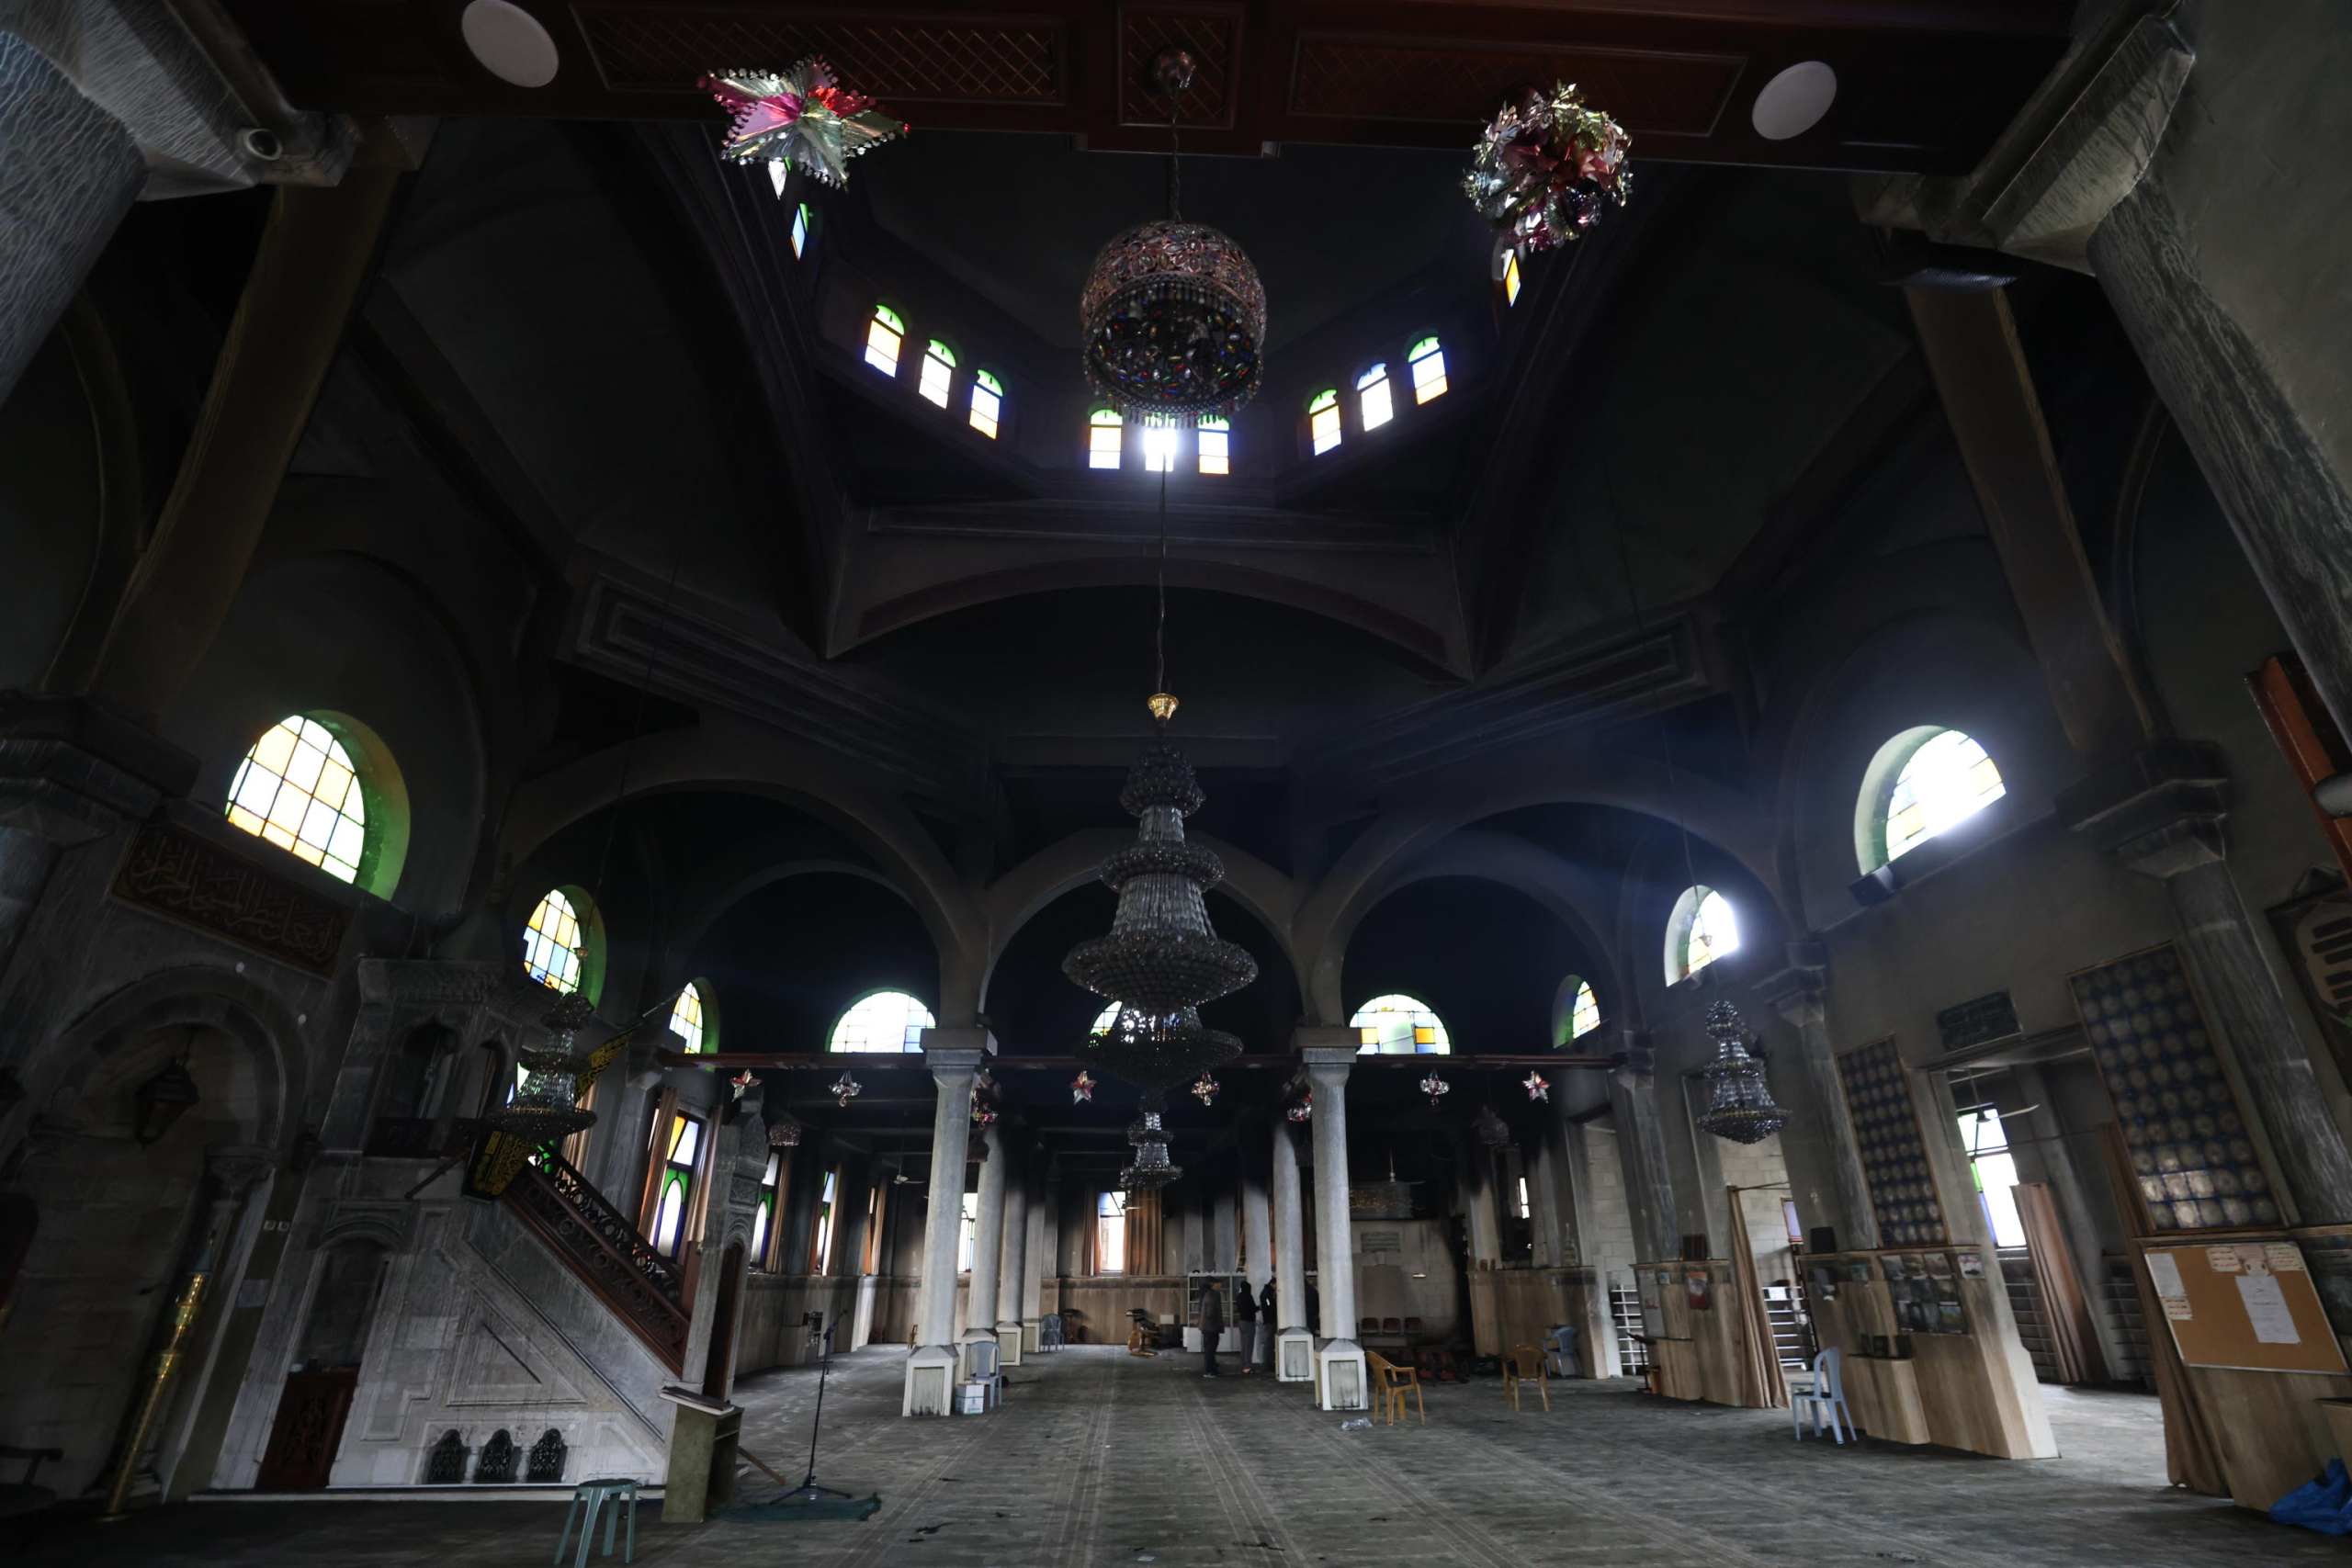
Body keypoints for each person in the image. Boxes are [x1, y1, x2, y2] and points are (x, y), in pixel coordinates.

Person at [1199, 1280, 1226, 1378]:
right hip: (1211, 1327)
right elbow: (1210, 1313)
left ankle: (1212, 1369)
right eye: (1220, 1285)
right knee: (1210, 1349)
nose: (1221, 1287)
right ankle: (1209, 1370)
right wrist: (1216, 1325)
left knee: (1211, 1349)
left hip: (1210, 1327)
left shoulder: (1211, 1294)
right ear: (1214, 1285)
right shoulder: (1211, 1296)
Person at [1234, 1277, 1259, 1373]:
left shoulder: (1239, 1296)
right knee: (1249, 1344)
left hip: (1241, 1321)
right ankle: (1248, 1366)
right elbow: (1252, 1308)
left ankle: (1243, 1363)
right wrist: (1258, 1308)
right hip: (1249, 1322)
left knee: (1243, 1344)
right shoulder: (1248, 1296)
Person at [1257, 1276, 1278, 1369]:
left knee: (1269, 1341)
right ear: (1273, 1284)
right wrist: (1274, 1307)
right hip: (1270, 1319)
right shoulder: (1267, 1294)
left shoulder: (1267, 1292)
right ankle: (1268, 1361)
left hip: (1269, 1319)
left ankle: (1268, 1360)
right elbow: (1268, 1304)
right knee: (1269, 1341)